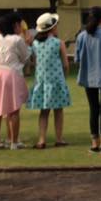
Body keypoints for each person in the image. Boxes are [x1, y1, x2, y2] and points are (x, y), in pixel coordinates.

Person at [75, 6, 101, 152]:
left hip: (88, 77)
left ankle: (94, 143)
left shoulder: (81, 36)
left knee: (94, 109)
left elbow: (77, 58)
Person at [27, 13, 71, 148]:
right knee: (58, 110)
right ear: (52, 28)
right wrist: (64, 77)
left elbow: (34, 62)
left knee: (44, 112)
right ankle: (59, 139)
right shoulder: (58, 43)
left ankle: (41, 140)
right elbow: (65, 64)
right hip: (56, 81)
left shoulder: (35, 44)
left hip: (41, 81)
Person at [0, 12, 32, 150]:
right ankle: (14, 142)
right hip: (12, 73)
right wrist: (27, 44)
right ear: (15, 25)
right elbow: (25, 57)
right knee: (14, 110)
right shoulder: (16, 39)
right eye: (19, 24)